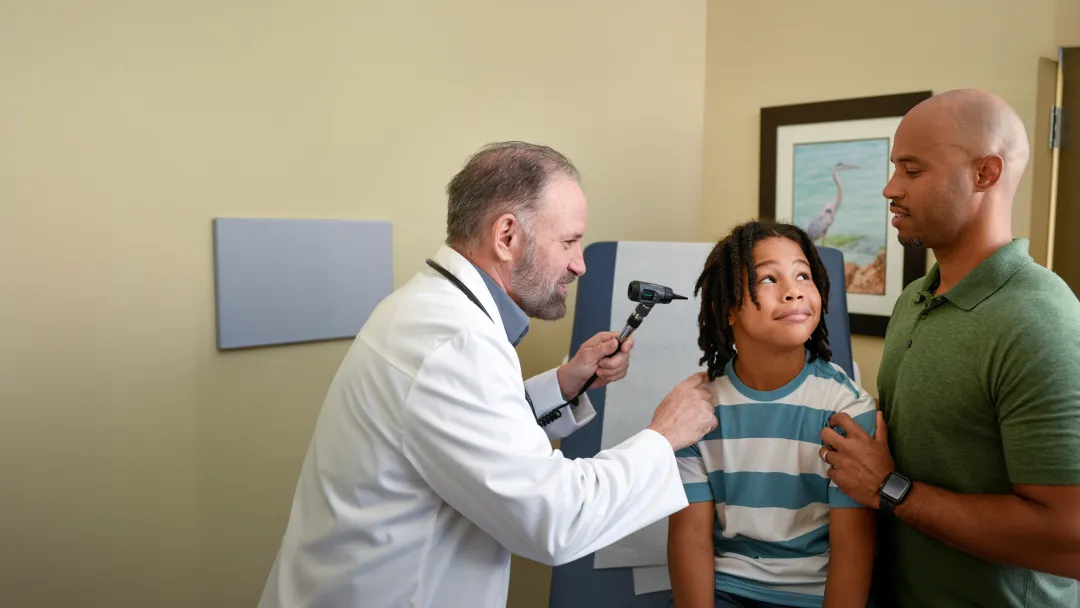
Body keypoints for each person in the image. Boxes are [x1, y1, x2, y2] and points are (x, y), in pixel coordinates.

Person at [257, 141, 718, 608]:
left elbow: (468, 432)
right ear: (507, 236)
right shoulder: (457, 342)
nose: (579, 264)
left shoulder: (422, 309)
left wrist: (565, 383)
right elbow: (556, 519)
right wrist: (664, 436)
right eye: (568, 242)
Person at [820, 89, 1080, 607]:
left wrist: (890, 488)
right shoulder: (914, 299)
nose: (890, 188)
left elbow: (1069, 540)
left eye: (912, 170)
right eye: (894, 168)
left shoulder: (1040, 323)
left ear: (985, 173)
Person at [667, 219, 878, 608]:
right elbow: (689, 538)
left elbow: (854, 546)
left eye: (803, 275)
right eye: (768, 279)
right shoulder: (694, 412)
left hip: (815, 596)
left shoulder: (847, 409)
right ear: (727, 309)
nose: (793, 291)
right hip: (728, 590)